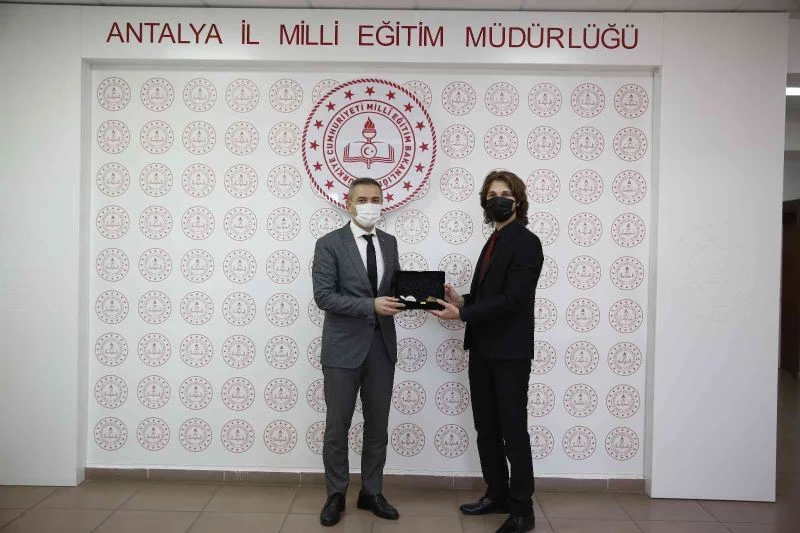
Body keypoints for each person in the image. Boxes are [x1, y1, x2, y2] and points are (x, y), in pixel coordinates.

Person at [431, 170, 543, 533]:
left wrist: (462, 315)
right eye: (491, 194)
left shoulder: (526, 242)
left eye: (505, 194)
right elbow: (493, 295)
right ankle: (497, 494)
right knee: (487, 428)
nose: (498, 200)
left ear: (518, 201)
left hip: (510, 353)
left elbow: (514, 299)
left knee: (513, 431)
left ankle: (522, 510)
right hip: (481, 349)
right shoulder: (493, 240)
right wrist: (463, 300)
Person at [312, 177, 405, 527]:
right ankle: (335, 495)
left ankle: (371, 492)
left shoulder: (390, 243)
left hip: (382, 348)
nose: (370, 205)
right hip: (342, 350)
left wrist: (423, 295)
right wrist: (370, 305)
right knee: (337, 427)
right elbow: (324, 296)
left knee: (378, 427)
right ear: (348, 204)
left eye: (376, 199)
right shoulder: (329, 244)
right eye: (363, 199)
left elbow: (394, 289)